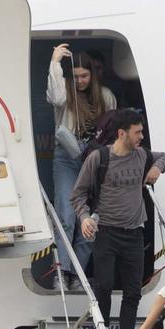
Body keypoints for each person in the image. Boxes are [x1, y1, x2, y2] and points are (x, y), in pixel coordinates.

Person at [71, 109, 165, 329]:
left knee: (132, 292)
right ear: (121, 133)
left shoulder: (142, 155)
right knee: (104, 285)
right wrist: (84, 218)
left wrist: (157, 168)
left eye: (142, 131)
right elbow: (78, 194)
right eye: (137, 132)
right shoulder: (99, 158)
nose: (141, 136)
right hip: (106, 232)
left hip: (134, 233)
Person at [45, 45, 116, 265]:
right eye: (75, 76)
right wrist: (55, 63)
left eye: (84, 75)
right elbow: (54, 97)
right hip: (67, 156)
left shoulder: (105, 95)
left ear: (92, 74)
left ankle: (78, 274)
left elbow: (115, 130)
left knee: (91, 218)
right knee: (66, 215)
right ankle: (63, 271)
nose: (80, 81)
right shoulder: (65, 92)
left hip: (95, 160)